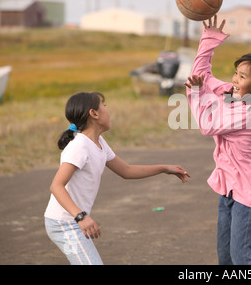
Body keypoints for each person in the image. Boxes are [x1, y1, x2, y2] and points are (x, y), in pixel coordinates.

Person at [184, 16, 251, 265]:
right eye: (235, 73)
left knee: (241, 259)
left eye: (242, 77)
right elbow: (201, 78)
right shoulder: (232, 95)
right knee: (225, 259)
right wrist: (208, 41)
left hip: (246, 193)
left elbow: (207, 125)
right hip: (228, 190)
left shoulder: (249, 110)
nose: (234, 79)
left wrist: (198, 93)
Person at [44, 92, 190, 265]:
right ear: (94, 114)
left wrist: (164, 168)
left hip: (73, 220)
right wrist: (81, 217)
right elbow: (56, 186)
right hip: (64, 222)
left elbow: (126, 171)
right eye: (104, 106)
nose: (108, 110)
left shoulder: (99, 142)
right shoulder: (80, 146)